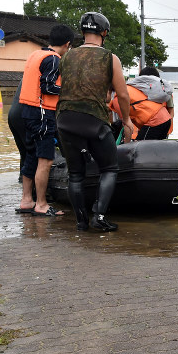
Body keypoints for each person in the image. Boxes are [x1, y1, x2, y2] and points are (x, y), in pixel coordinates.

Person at [56, 12, 134, 232]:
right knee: (109, 168)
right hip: (93, 120)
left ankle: (81, 222)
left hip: (64, 118)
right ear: (104, 32)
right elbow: (123, 95)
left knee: (75, 174)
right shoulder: (110, 58)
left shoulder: (66, 57)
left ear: (82, 32)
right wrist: (126, 120)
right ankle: (99, 217)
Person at [17, 24, 75, 216]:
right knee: (46, 159)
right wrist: (69, 91)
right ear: (67, 44)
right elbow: (48, 86)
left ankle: (27, 200)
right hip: (42, 112)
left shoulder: (36, 55)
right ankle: (41, 204)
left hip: (27, 111)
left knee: (32, 155)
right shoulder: (53, 59)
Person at [109, 66, 174, 140]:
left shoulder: (118, 100)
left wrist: (126, 144)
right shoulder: (135, 88)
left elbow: (127, 125)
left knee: (141, 146)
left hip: (154, 122)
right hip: (165, 119)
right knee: (154, 146)